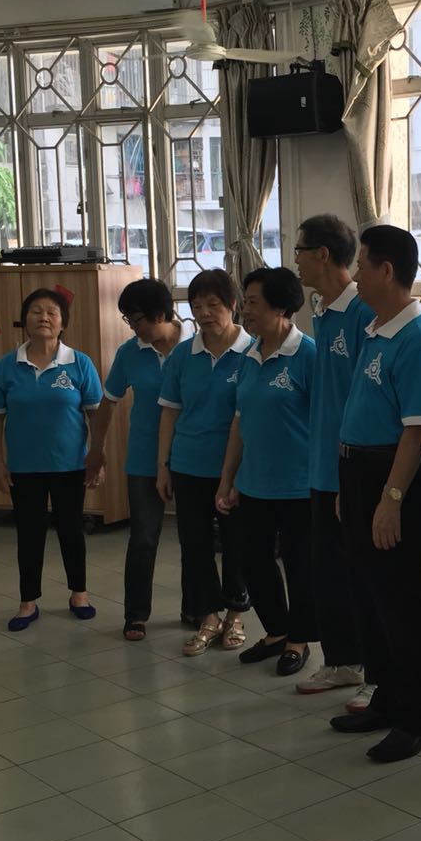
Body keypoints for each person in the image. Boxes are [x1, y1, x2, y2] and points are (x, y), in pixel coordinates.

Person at [329, 224, 421, 764]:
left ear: (387, 270)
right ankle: (387, 697)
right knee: (370, 595)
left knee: (405, 601)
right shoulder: (377, 328)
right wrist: (348, 486)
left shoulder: (417, 338)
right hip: (359, 473)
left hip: (392, 477)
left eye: (362, 265)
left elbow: (416, 430)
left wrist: (391, 498)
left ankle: (418, 719)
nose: (355, 276)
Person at [292, 214, 378, 706]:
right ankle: (343, 661)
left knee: (363, 576)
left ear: (322, 254)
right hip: (321, 467)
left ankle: (376, 672)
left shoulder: (364, 313)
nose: (296, 261)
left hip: (354, 469)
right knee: (327, 572)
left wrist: (353, 477)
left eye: (300, 251)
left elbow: (364, 401)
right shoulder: (322, 310)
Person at [216, 267, 318, 676]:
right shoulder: (249, 356)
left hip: (299, 485)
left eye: (254, 302)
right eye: (245, 301)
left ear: (280, 307)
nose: (246, 310)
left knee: (299, 565)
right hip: (254, 483)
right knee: (253, 560)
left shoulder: (308, 355)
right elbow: (240, 421)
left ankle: (299, 639)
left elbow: (326, 422)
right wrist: (228, 479)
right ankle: (277, 630)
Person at [0, 288, 104, 632]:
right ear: (25, 320)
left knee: (71, 531)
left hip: (71, 465)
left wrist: (98, 457)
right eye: (36, 311)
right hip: (24, 467)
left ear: (63, 322)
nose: (44, 318)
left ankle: (79, 594)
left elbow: (97, 414)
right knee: (29, 534)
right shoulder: (8, 365)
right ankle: (28, 601)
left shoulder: (79, 363)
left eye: (52, 312)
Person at [158, 269, 253, 655]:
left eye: (214, 305)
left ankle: (235, 614)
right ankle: (208, 616)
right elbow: (169, 412)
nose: (205, 314)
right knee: (194, 544)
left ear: (233, 305)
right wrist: (163, 466)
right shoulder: (183, 355)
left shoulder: (253, 352)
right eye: (197, 307)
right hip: (188, 465)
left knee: (237, 543)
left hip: (238, 469)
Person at [85, 279, 186, 641]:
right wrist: (97, 449)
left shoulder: (194, 346)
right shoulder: (130, 352)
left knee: (195, 539)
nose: (133, 327)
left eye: (136, 319)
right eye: (127, 319)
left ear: (161, 314)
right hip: (144, 457)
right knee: (143, 537)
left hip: (191, 455)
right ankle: (136, 614)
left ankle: (197, 608)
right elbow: (108, 402)